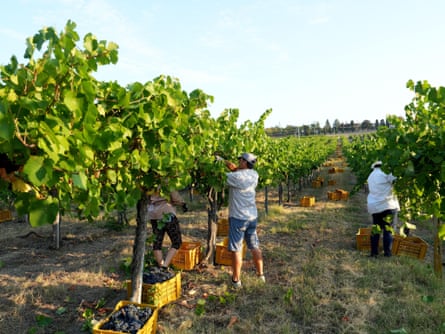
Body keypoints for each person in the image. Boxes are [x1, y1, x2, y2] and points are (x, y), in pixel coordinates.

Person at [221, 152, 264, 289]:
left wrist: (219, 162)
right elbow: (237, 171)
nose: (238, 161)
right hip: (252, 217)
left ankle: (236, 280)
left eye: (240, 160)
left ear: (244, 162)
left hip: (238, 218)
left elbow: (221, 177)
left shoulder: (235, 177)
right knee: (254, 246)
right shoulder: (254, 174)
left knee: (237, 249)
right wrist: (230, 165)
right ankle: (260, 275)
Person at [147, 189, 188, 268]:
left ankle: (161, 266)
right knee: (176, 242)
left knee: (157, 242)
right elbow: (175, 198)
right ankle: (165, 266)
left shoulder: (148, 182)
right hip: (167, 212)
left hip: (153, 215)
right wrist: (182, 203)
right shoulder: (167, 180)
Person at [367, 160, 399, 257]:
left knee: (376, 229)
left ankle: (374, 252)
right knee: (388, 229)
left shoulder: (371, 176)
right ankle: (387, 253)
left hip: (375, 206)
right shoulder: (387, 173)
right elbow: (396, 180)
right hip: (387, 205)